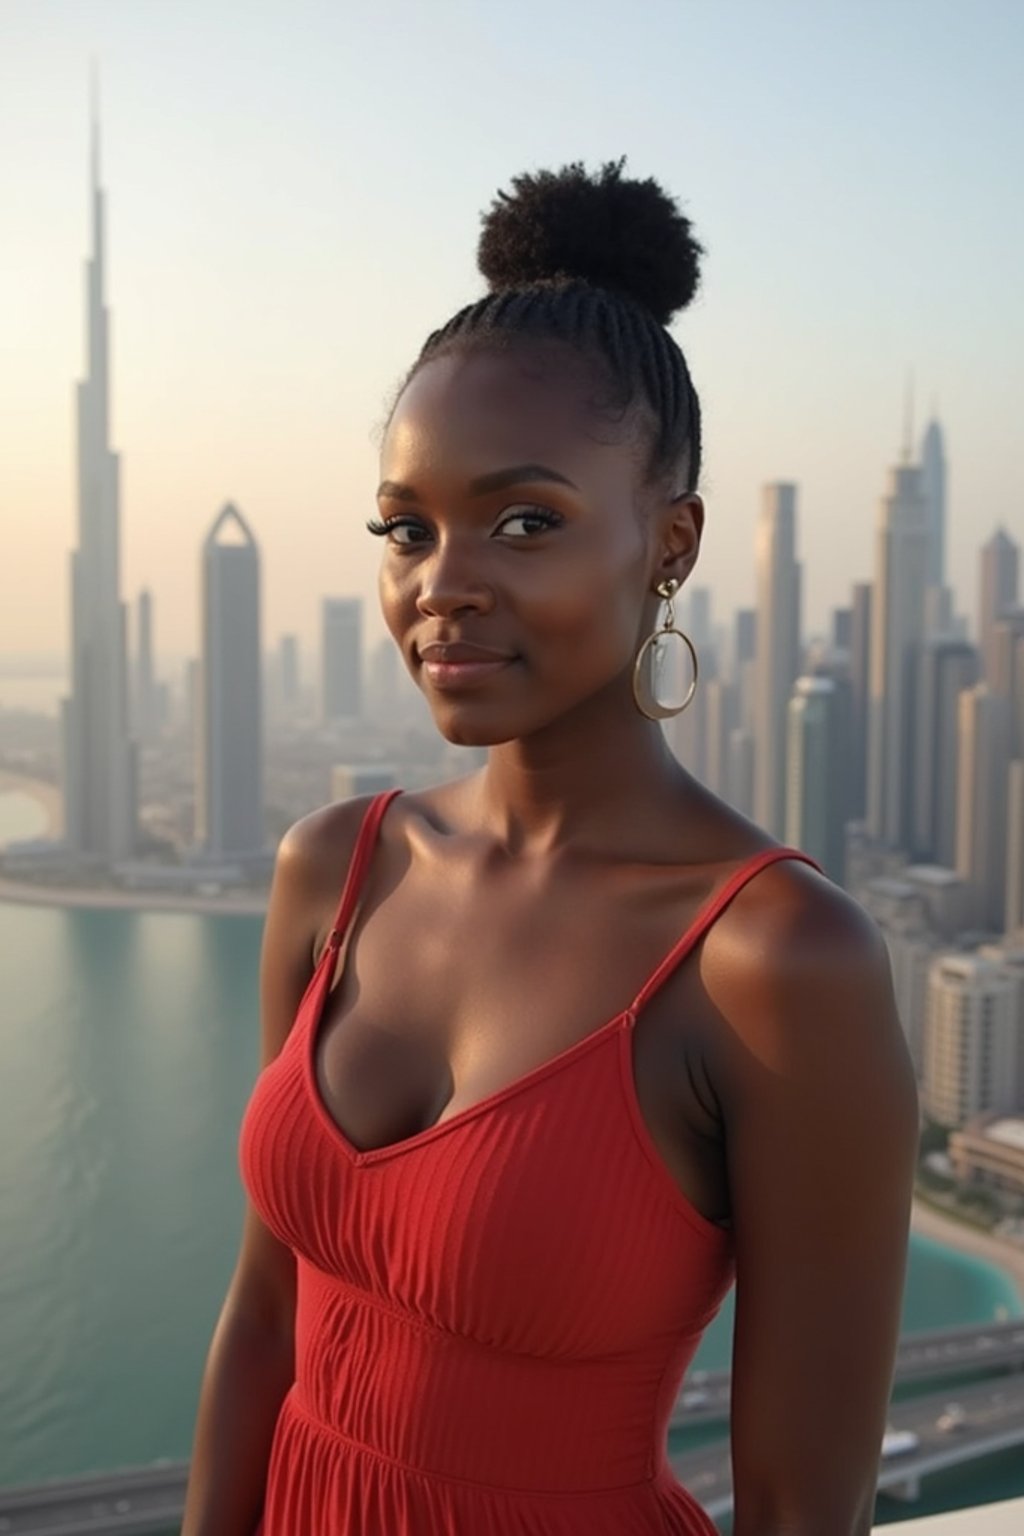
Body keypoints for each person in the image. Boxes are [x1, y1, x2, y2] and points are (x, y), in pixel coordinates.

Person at [181, 159, 919, 1536]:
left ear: (669, 542)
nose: (441, 584)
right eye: (408, 528)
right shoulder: (334, 870)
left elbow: (803, 1506)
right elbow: (264, 1323)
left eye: (525, 521)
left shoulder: (775, 959)